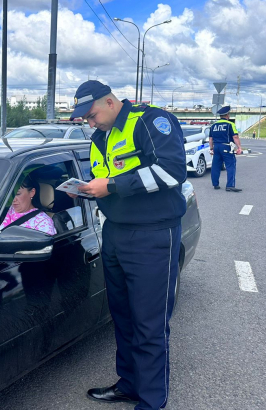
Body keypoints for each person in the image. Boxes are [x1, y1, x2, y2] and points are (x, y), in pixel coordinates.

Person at [69, 80, 187, 410]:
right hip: (116, 234)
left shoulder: (150, 121)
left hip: (153, 236)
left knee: (150, 324)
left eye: (91, 115)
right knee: (123, 318)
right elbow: (102, 180)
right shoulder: (99, 137)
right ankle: (130, 384)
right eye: (86, 119)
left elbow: (173, 171)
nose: (90, 123)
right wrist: (85, 190)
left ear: (109, 101)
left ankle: (151, 401)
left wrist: (115, 185)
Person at [209, 105, 242, 192]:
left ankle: (215, 184)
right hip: (226, 147)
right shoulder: (230, 124)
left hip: (216, 147)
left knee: (216, 166)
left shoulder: (213, 125)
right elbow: (235, 137)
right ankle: (230, 185)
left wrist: (211, 148)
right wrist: (239, 148)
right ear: (227, 115)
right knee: (231, 165)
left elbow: (210, 138)